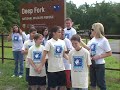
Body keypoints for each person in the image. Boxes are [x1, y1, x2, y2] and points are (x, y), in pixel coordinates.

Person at [81, 23, 112, 90]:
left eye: (92, 29)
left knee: (101, 83)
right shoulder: (92, 40)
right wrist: (80, 41)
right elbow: (88, 48)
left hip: (99, 65)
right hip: (92, 63)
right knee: (92, 83)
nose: (91, 31)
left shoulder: (104, 40)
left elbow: (109, 53)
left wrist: (99, 56)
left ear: (97, 30)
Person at [38, 26, 69, 90]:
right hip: (52, 69)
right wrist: (41, 66)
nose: (60, 33)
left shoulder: (62, 42)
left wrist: (70, 59)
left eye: (61, 32)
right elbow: (44, 55)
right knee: (53, 87)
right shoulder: (49, 42)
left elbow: (63, 54)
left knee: (63, 86)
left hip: (61, 68)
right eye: (59, 32)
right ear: (54, 33)